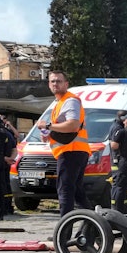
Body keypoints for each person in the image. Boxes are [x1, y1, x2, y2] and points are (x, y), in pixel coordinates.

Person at [38, 70, 92, 217]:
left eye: (59, 81)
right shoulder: (59, 103)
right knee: (77, 193)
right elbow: (63, 129)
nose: (55, 84)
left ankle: (64, 231)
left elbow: (73, 125)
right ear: (49, 84)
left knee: (65, 191)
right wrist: (49, 135)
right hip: (73, 151)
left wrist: (48, 126)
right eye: (52, 81)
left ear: (66, 84)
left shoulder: (70, 100)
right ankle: (92, 226)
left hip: (71, 151)